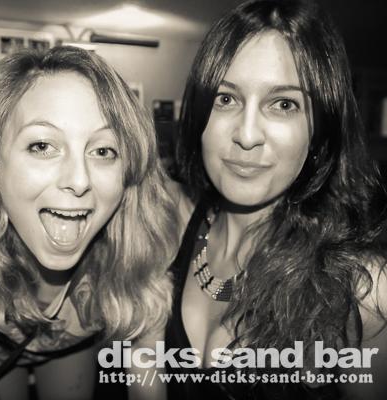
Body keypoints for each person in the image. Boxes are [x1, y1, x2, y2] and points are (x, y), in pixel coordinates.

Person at [160, 0, 387, 399]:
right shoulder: (173, 227)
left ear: (319, 130)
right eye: (225, 99)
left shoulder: (364, 291)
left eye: (283, 104)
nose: (247, 135)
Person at [0, 46, 180, 400]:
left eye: (103, 151)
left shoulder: (137, 256)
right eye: (42, 146)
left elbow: (148, 389)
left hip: (70, 346)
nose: (79, 181)